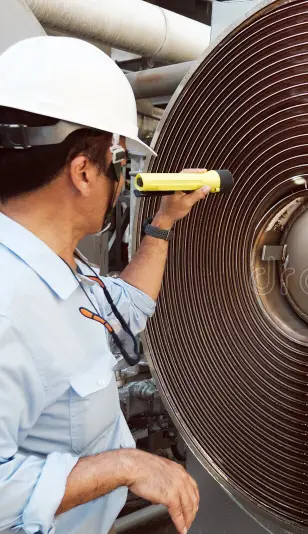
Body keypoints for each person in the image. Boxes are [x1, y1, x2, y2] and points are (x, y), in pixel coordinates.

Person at [0, 37, 207, 534]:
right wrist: (127, 465)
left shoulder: (59, 265)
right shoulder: (9, 306)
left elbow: (123, 312)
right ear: (84, 172)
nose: (121, 181)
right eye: (118, 163)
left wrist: (163, 223)